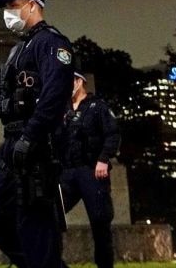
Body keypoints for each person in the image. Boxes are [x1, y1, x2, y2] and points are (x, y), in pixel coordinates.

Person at [0, 0, 74, 268]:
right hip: (11, 143)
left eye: (13, 6)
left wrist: (31, 136)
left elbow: (55, 94)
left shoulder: (51, 42)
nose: (8, 13)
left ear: (32, 5)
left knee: (36, 227)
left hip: (35, 146)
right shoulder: (19, 49)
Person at [57, 72, 120, 268]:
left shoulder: (97, 106)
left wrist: (103, 159)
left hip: (92, 171)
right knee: (52, 216)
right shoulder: (63, 109)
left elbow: (113, 134)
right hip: (67, 173)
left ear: (79, 81)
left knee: (100, 224)